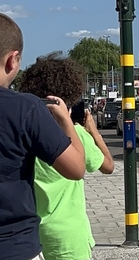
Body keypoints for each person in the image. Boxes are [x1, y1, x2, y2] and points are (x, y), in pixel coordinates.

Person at [0, 13, 86, 260]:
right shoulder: (26, 109)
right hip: (14, 245)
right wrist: (66, 121)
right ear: (12, 60)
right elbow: (76, 168)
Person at [19, 53, 114, 260]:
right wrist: (93, 132)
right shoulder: (76, 134)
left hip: (30, 235)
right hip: (69, 238)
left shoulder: (23, 134)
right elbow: (108, 166)